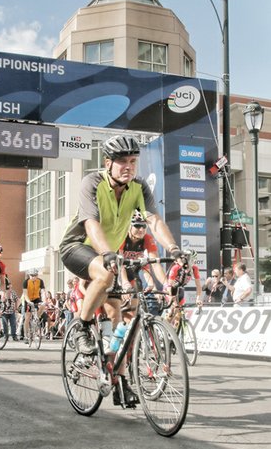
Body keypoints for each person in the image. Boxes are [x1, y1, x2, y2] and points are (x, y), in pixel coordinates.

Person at [59, 135, 182, 408]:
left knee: (120, 322)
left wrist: (173, 250)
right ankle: (81, 326)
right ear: (108, 163)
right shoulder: (92, 182)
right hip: (79, 247)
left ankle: (120, 380)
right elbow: (91, 223)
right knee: (104, 274)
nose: (129, 167)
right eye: (122, 162)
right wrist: (107, 254)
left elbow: (154, 220)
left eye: (133, 161)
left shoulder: (137, 188)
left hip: (109, 257)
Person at [118, 210, 168, 317]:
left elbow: (153, 264)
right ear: (129, 227)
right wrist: (125, 283)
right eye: (137, 226)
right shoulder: (122, 237)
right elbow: (120, 263)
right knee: (115, 312)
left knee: (133, 312)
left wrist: (164, 285)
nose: (141, 229)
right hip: (117, 273)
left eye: (144, 226)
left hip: (132, 274)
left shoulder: (147, 239)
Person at [22, 268, 46, 343]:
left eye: (35, 275)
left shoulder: (40, 281)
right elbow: (25, 293)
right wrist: (28, 301)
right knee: (27, 317)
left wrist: (44, 300)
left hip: (36, 298)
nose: (33, 277)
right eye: (31, 275)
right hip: (28, 299)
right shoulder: (26, 282)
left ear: (37, 275)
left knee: (43, 305)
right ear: (29, 275)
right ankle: (26, 335)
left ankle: (37, 317)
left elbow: (43, 292)